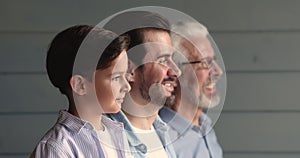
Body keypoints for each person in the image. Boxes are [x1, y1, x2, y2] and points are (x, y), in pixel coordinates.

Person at [30, 25, 132, 157]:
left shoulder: (116, 134)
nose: (127, 87)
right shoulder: (57, 148)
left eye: (126, 75)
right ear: (80, 85)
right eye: (116, 77)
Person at [104, 11, 181, 158]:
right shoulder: (104, 144)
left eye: (172, 59)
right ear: (128, 69)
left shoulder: (161, 131)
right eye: (163, 61)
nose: (176, 72)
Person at [159, 22, 224, 158]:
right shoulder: (162, 141)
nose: (218, 71)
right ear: (174, 73)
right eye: (206, 63)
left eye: (214, 61)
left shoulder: (205, 126)